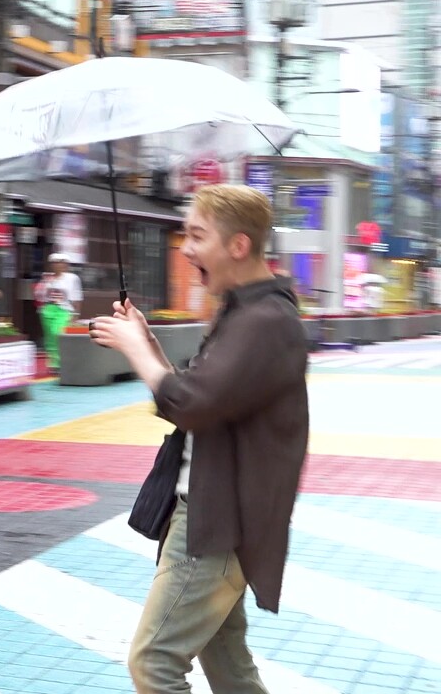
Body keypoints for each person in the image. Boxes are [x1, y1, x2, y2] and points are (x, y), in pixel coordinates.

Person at [88, 184, 309, 694]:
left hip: (218, 520)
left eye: (196, 235)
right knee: (229, 667)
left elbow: (190, 403)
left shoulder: (266, 321)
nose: (185, 248)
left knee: (154, 662)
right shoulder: (244, 312)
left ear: (238, 246)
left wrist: (139, 353)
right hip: (212, 511)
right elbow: (203, 401)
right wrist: (146, 345)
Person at [35, 253, 82, 371]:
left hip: (64, 310)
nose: (58, 265)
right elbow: (40, 295)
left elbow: (77, 297)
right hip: (48, 309)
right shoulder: (47, 278)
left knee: (58, 333)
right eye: (55, 262)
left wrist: (75, 314)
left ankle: (64, 361)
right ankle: (53, 364)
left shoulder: (72, 278)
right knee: (50, 337)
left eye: (61, 262)